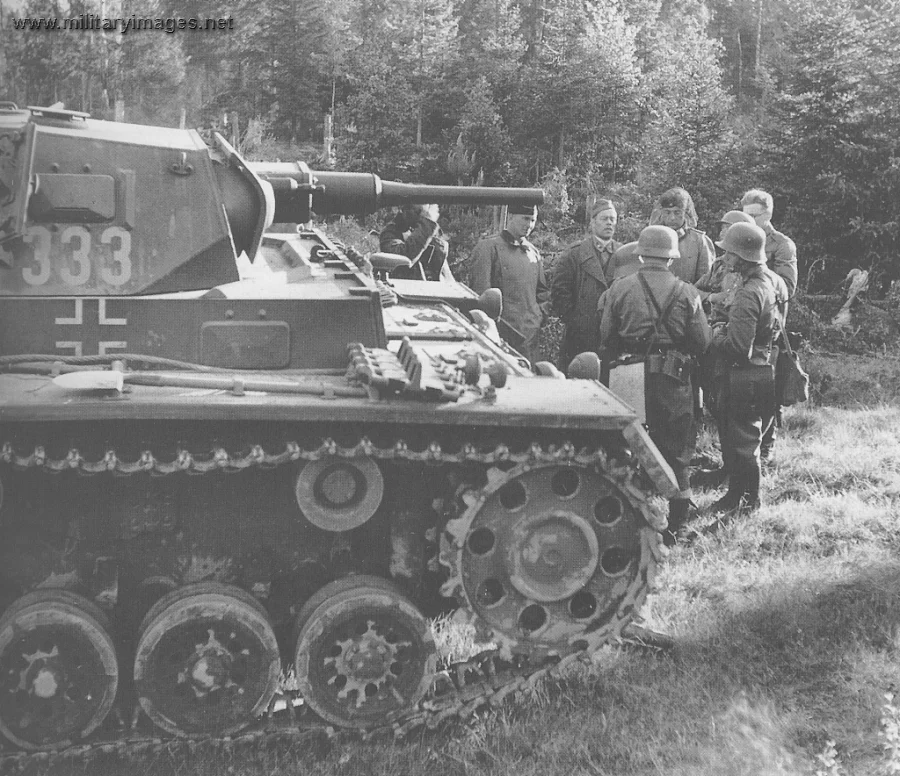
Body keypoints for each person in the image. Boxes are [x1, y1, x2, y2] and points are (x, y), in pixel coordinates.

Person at [597, 225, 711, 545]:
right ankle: (676, 528)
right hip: (673, 379)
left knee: (627, 447)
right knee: (677, 452)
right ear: (671, 258)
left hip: (629, 376)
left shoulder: (619, 289)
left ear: (641, 254)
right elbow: (702, 342)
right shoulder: (687, 292)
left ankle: (622, 518)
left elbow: (606, 337)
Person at [704, 222, 781, 522]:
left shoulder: (750, 293)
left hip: (745, 374)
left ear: (741, 256)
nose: (724, 258)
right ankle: (736, 494)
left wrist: (715, 331)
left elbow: (737, 347)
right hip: (753, 372)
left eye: (729, 253)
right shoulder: (763, 283)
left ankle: (750, 502)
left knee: (745, 442)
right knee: (738, 439)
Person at [740, 189, 798, 464]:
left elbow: (787, 287)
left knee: (769, 389)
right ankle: (743, 448)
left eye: (754, 215)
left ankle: (767, 446)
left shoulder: (781, 244)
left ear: (768, 214)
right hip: (744, 319)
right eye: (745, 214)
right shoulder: (740, 239)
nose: (749, 221)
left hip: (771, 326)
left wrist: (757, 267)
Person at [470, 204, 550, 363]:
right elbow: (481, 293)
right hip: (501, 333)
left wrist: (538, 316)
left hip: (529, 336)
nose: (529, 225)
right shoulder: (488, 247)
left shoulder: (533, 253)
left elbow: (543, 293)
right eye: (525, 219)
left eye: (533, 220)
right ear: (511, 217)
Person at [550, 198, 622, 372]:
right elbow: (560, 293)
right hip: (580, 338)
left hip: (613, 337)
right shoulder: (575, 254)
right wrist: (577, 322)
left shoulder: (623, 254)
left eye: (613, 219)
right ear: (592, 222)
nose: (609, 223)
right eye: (604, 219)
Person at [649, 187, 715, 284]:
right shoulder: (651, 238)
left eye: (677, 212)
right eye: (667, 212)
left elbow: (705, 282)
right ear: (661, 213)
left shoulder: (699, 241)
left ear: (686, 213)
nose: (672, 218)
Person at [379, 203, 454, 282]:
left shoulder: (429, 231)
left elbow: (445, 274)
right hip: (408, 291)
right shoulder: (391, 232)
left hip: (437, 291)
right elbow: (404, 259)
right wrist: (427, 224)